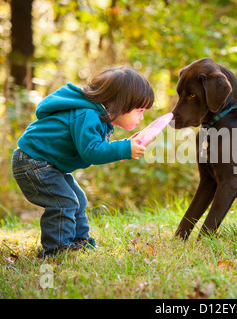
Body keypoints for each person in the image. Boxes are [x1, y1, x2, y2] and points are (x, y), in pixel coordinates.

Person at [11, 65, 153, 257]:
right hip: (33, 162)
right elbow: (91, 151)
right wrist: (123, 149)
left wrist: (123, 149)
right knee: (64, 202)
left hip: (48, 164)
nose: (142, 117)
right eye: (140, 110)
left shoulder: (97, 116)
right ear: (119, 103)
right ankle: (57, 249)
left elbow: (96, 147)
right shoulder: (87, 114)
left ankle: (79, 242)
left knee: (78, 199)